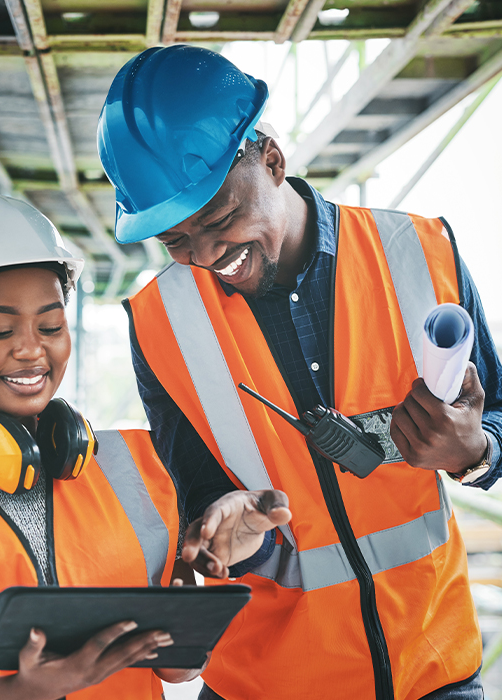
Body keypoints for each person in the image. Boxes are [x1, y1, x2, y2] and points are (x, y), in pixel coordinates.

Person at [97, 45, 502, 700]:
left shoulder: (421, 254)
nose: (203, 256)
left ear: (272, 161)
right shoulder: (159, 323)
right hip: (264, 685)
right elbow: (196, 490)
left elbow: (498, 418)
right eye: (174, 239)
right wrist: (218, 521)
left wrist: (475, 449)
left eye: (219, 218)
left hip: (429, 671)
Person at [0, 190, 292, 700]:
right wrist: (19, 692)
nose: (31, 349)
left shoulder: (143, 467)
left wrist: (186, 628)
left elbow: (178, 671)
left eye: (50, 325)